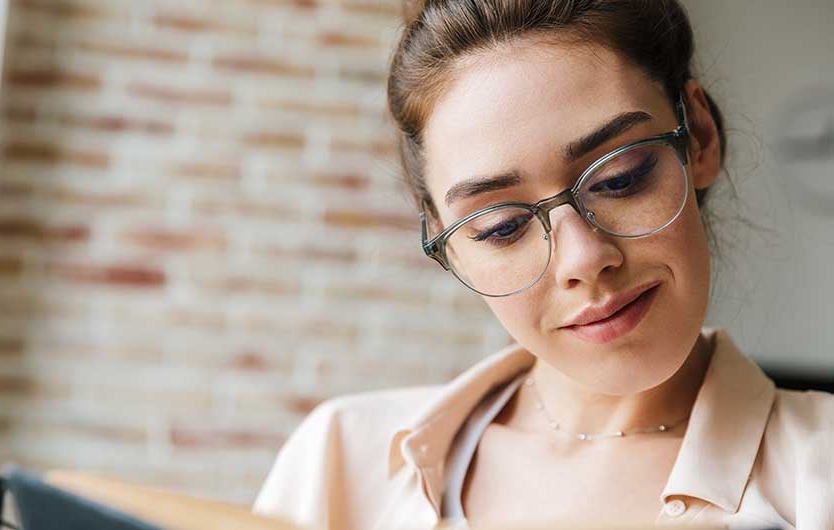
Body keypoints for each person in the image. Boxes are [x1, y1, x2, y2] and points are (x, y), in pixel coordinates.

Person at [252, 1, 834, 529]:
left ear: (700, 137)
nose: (584, 259)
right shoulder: (338, 461)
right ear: (445, 241)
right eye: (501, 226)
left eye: (620, 178)